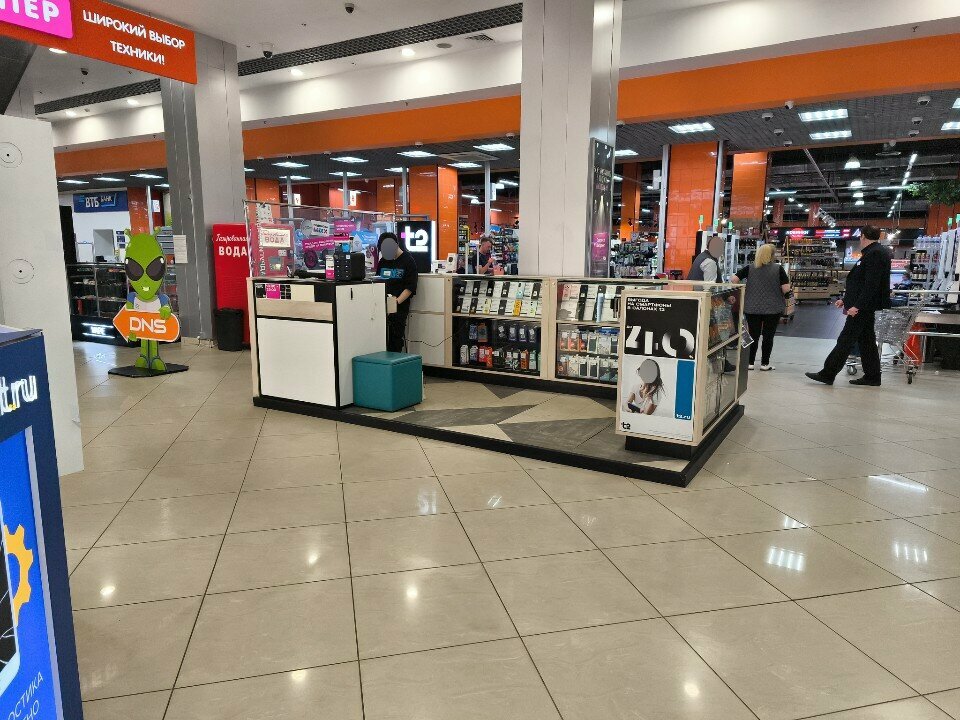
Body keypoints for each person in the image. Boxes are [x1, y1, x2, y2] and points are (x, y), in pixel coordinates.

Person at [806, 225, 891, 387]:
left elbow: (871, 285)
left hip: (863, 307)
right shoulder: (873, 252)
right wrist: (846, 300)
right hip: (864, 306)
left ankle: (828, 373)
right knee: (866, 341)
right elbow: (861, 283)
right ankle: (873, 376)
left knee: (846, 339)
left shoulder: (875, 254)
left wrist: (857, 305)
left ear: (863, 236)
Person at [732, 243, 791, 371]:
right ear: (771, 255)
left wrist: (744, 289)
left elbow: (734, 279)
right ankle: (764, 364)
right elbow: (786, 289)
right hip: (773, 308)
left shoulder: (750, 268)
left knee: (753, 335)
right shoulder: (778, 269)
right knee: (768, 336)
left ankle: (750, 363)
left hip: (752, 307)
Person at [377, 232, 419, 353]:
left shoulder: (408, 261)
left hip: (399, 307)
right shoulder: (383, 261)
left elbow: (410, 286)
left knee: (395, 339)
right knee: (381, 339)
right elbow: (378, 280)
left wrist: (396, 302)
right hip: (382, 306)